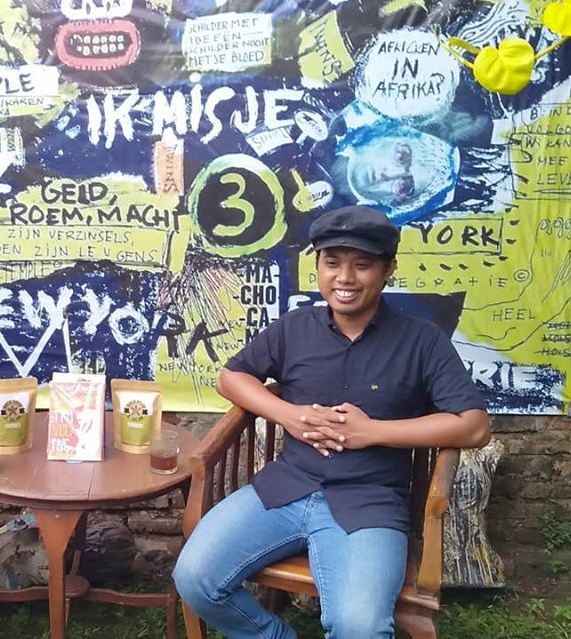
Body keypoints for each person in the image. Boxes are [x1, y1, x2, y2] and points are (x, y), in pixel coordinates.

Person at [173, 205, 490, 639]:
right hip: (287, 487)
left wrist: (372, 433)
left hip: (370, 502)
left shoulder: (421, 340)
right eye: (332, 262)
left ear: (388, 270)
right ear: (318, 267)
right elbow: (230, 377)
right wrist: (288, 415)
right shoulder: (295, 328)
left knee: (360, 628)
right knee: (195, 578)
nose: (345, 278)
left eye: (362, 264)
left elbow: (474, 426)